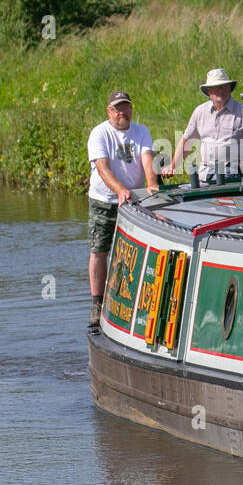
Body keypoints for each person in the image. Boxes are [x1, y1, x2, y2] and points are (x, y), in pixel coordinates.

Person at [88, 91, 158, 328]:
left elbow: (147, 159)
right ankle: (97, 303)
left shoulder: (142, 131)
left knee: (134, 251)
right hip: (105, 200)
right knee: (100, 251)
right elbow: (102, 168)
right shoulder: (100, 133)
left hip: (136, 201)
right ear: (109, 111)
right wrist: (119, 190)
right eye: (117, 108)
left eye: (126, 107)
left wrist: (151, 183)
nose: (122, 112)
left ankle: (132, 301)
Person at [163, 68, 243, 185]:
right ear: (209, 91)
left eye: (223, 86)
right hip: (205, 175)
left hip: (234, 176)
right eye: (216, 87)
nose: (220, 90)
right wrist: (173, 165)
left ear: (230, 88)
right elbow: (186, 141)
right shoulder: (200, 112)